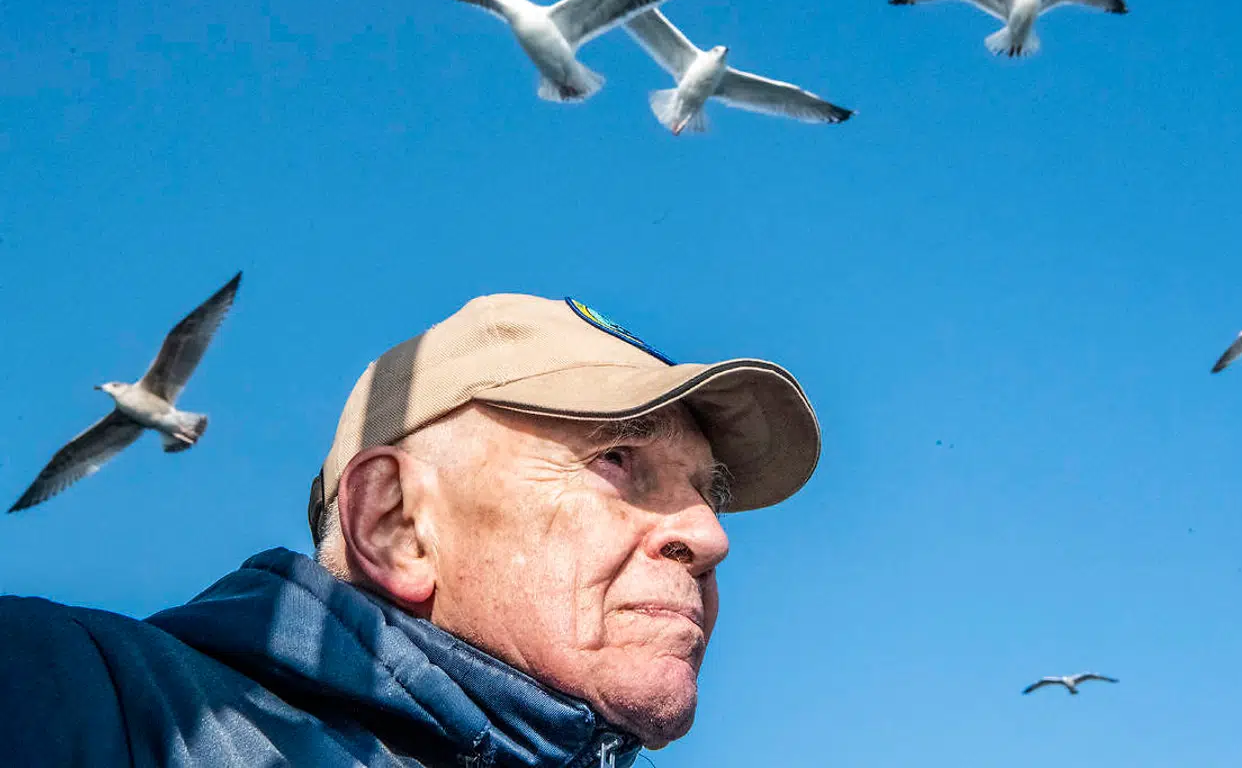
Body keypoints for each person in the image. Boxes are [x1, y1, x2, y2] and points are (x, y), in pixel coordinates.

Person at [0, 293, 820, 767]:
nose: (710, 537)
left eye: (704, 491)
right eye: (615, 460)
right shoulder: (79, 698)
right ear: (396, 526)